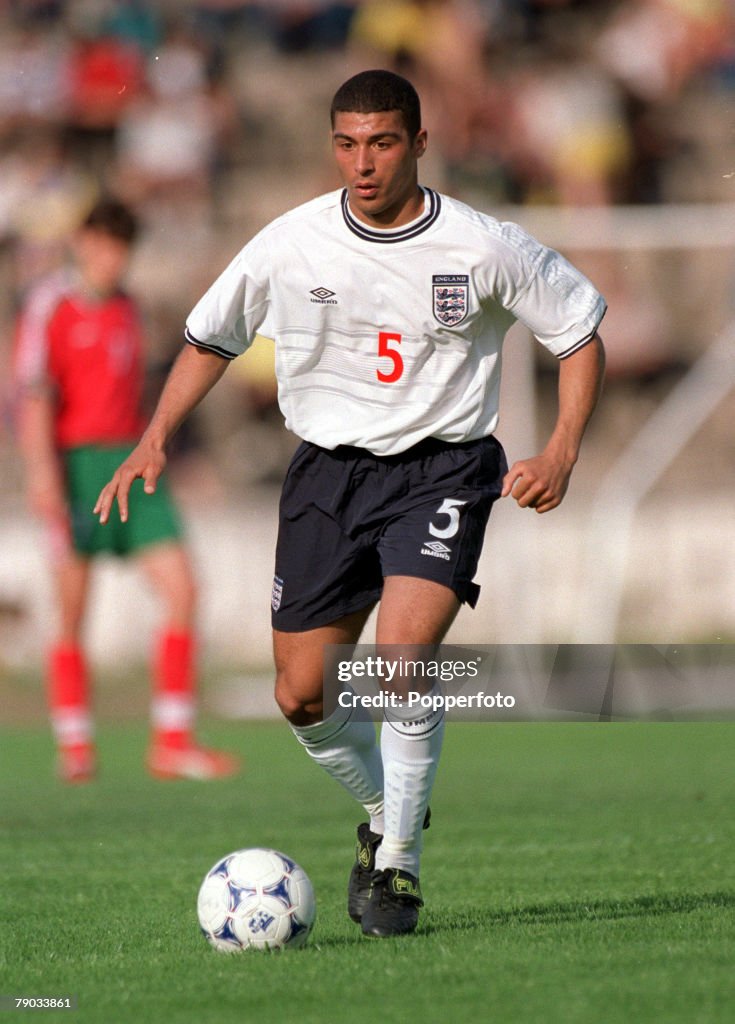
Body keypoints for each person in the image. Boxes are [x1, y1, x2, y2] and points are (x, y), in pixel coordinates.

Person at [94, 71, 606, 937]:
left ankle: (396, 866)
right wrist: (155, 435)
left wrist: (560, 449)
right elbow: (208, 336)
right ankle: (389, 812)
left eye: (380, 143)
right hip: (327, 479)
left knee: (400, 662)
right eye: (346, 144)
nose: (361, 163)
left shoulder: (483, 245)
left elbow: (579, 332)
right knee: (301, 694)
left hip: (443, 471)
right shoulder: (290, 242)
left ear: (417, 144)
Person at [13, 198, 240, 785]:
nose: (113, 259)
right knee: (72, 607)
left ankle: (172, 740)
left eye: (123, 249)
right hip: (77, 468)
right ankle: (75, 746)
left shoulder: (128, 309)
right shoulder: (51, 306)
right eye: (104, 245)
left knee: (183, 588)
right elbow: (34, 394)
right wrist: (42, 474)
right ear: (84, 242)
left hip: (131, 465)